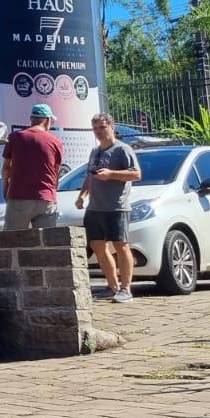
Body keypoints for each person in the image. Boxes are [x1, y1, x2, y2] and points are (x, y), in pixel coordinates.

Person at [76, 114, 141, 303]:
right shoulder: (94, 152)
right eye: (95, 128)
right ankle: (112, 286)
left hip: (116, 207)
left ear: (111, 127)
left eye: (102, 128)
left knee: (121, 245)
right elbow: (90, 176)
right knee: (97, 245)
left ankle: (126, 289)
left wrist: (111, 174)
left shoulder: (123, 149)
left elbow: (136, 174)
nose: (98, 132)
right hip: (95, 208)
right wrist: (82, 195)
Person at [1, 103, 65, 231]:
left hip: (18, 196)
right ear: (48, 120)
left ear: (31, 118)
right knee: (46, 242)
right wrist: (52, 193)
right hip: (46, 198)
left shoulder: (15, 137)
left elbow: (6, 168)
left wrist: (6, 190)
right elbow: (56, 172)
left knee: (12, 240)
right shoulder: (55, 142)